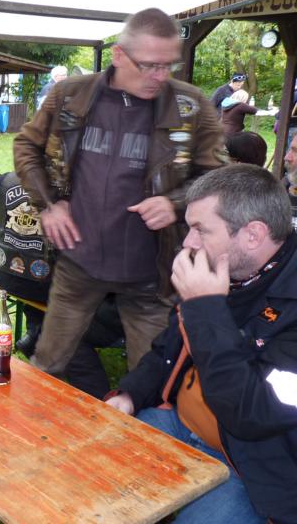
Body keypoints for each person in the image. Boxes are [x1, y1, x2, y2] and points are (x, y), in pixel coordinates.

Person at [13, 7, 226, 379]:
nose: (160, 76)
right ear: (118, 55)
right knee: (47, 365)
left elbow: (221, 176)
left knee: (152, 380)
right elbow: (26, 145)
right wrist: (48, 204)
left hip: (151, 273)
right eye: (149, 65)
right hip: (78, 262)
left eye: (169, 65)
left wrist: (175, 203)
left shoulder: (190, 106)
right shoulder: (70, 95)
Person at [106, 164, 297, 523]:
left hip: (250, 466)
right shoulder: (224, 268)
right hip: (178, 423)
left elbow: (252, 413)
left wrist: (205, 309)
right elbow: (168, 348)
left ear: (253, 235)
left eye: (201, 230)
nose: (188, 243)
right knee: (91, 468)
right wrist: (130, 394)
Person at [0, 172, 124, 398]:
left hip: (5, 273)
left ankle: (35, 334)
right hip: (48, 283)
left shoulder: (4, 180)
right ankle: (38, 335)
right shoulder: (81, 193)